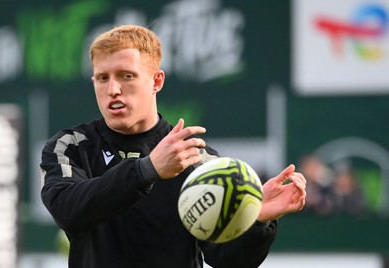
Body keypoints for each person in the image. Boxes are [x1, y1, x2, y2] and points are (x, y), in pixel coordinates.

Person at [40, 25, 306, 268]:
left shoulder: (195, 159)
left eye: (126, 75)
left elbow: (227, 259)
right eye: (102, 78)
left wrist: (255, 221)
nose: (113, 89)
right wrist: (147, 170)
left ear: (156, 81)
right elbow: (68, 210)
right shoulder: (71, 146)